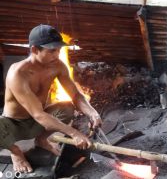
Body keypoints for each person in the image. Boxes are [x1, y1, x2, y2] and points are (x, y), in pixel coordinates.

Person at [0, 24, 102, 173]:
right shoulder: (18, 73)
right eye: (52, 51)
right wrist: (74, 133)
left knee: (67, 107)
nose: (57, 55)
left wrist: (92, 113)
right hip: (15, 125)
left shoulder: (58, 66)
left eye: (59, 50)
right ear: (34, 49)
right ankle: (15, 151)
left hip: (37, 123)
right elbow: (38, 114)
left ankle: (41, 139)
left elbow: (75, 95)